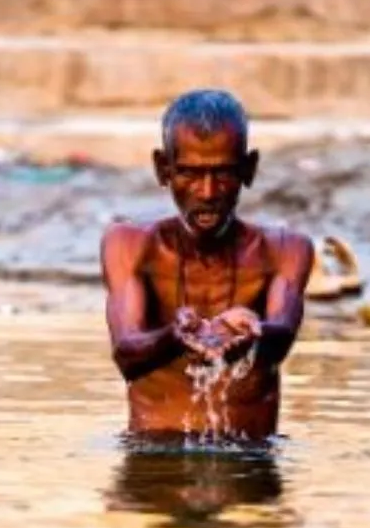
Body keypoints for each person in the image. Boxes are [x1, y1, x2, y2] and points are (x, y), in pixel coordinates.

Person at [100, 89, 316, 441]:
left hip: (249, 461)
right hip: (152, 463)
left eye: (224, 173)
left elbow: (281, 339)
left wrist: (251, 332)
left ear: (249, 170)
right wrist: (176, 337)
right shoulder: (130, 245)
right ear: (162, 169)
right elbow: (127, 354)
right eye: (189, 173)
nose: (207, 192)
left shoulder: (284, 249)